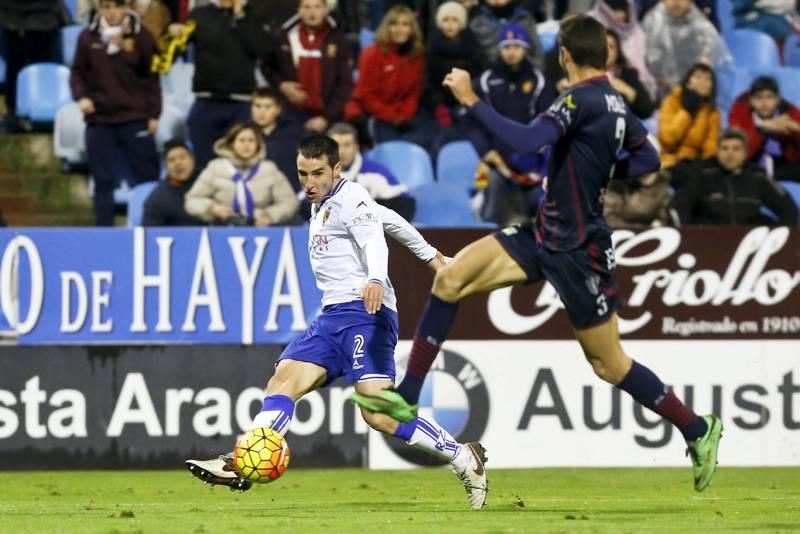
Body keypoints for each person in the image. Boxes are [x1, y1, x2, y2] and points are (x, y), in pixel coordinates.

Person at [351, 14, 723, 493]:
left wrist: (470, 99)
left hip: (579, 251)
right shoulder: (615, 102)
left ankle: (696, 427)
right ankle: (407, 395)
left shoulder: (579, 97)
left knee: (609, 363)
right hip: (542, 233)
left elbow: (526, 140)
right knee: (451, 279)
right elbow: (648, 159)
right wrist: (595, 168)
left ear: (564, 53)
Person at [185, 133, 489, 509]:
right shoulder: (326, 203)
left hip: (366, 315)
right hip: (331, 318)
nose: (309, 183)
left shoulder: (350, 196)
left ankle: (462, 458)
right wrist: (432, 257)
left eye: (317, 173)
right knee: (283, 380)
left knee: (378, 413)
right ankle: (243, 463)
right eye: (302, 174)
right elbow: (387, 217)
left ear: (336, 169)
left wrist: (376, 277)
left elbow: (374, 239)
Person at [70, 0, 161, 226]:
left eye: (116, 7)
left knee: (147, 178)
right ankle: (104, 232)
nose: (111, 13)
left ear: (126, 8)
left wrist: (153, 114)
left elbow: (152, 79)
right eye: (106, 7)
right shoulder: (87, 37)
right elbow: (77, 73)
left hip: (135, 118)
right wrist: (82, 97)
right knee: (102, 181)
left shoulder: (142, 36)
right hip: (99, 120)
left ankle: (151, 228)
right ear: (100, 8)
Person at [168, 0, 272, 170]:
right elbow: (175, 50)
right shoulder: (199, 15)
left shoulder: (253, 14)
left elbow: (262, 50)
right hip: (206, 101)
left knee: (242, 163)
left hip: (241, 103)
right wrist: (172, 34)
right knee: (204, 165)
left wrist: (240, 17)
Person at [466, 22, 547, 226]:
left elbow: (546, 120)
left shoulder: (539, 81)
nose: (512, 52)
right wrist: (486, 151)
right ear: (500, 49)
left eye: (517, 47)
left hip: (532, 165)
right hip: (497, 164)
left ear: (525, 49)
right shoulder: (484, 82)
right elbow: (471, 122)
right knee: (493, 186)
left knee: (541, 209)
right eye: (507, 47)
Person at [345, 5, 437, 150]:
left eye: (405, 24)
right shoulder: (372, 54)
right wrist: (392, 117)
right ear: (386, 27)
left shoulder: (416, 55)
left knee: (429, 138)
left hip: (402, 114)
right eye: (394, 24)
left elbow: (415, 91)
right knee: (392, 146)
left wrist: (405, 114)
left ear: (412, 28)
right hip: (371, 112)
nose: (400, 29)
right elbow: (366, 95)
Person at [672, 128, 799, 225]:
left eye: (736, 149)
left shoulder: (758, 175)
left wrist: (780, 239)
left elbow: (788, 208)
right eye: (724, 148)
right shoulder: (701, 173)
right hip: (707, 243)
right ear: (717, 151)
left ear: (745, 153)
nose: (730, 154)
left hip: (747, 244)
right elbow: (680, 206)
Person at [185, 123, 299, 226]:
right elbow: (192, 200)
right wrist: (212, 208)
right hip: (222, 230)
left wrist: (269, 215)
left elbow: (290, 202)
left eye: (251, 140)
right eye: (241, 140)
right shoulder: (216, 167)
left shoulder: (268, 169)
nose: (246, 145)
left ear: (258, 144)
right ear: (231, 144)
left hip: (262, 232)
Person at [265, 0, 354, 133]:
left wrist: (326, 117)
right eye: (306, 7)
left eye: (317, 7)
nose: (312, 13)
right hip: (290, 114)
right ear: (299, 10)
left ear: (325, 10)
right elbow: (267, 67)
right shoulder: (283, 36)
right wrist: (281, 85)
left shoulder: (339, 38)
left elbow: (345, 83)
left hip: (328, 117)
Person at [642, 0, 732, 97]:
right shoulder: (651, 23)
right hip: (657, 95)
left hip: (695, 95)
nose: (676, 2)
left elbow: (720, 67)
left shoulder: (703, 28)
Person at [0, 0, 66, 132]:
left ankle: (50, 113)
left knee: (47, 68)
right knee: (14, 67)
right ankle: (13, 115)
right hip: (9, 15)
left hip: (46, 15)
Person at [327, 122, 416, 220]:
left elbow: (405, 204)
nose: (342, 151)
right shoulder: (318, 175)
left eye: (347, 145)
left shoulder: (377, 172)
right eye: (336, 146)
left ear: (356, 147)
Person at [729, 76, 800, 182]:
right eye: (758, 98)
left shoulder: (790, 113)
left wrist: (796, 131)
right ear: (751, 101)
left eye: (769, 97)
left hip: (782, 165)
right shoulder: (741, 115)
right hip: (751, 163)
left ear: (777, 100)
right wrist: (761, 128)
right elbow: (738, 151)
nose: (764, 103)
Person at [425, 2, 483, 130]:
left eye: (455, 20)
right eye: (445, 20)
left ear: (461, 22)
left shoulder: (472, 44)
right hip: (440, 108)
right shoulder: (432, 47)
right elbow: (429, 83)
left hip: (468, 102)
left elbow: (479, 75)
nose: (450, 24)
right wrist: (438, 106)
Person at [589, 0, 657, 101]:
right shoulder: (588, 25)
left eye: (612, 46)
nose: (620, 14)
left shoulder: (637, 33)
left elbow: (646, 108)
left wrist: (630, 93)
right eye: (615, 8)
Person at [657, 63, 720, 168]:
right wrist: (687, 112)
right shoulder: (671, 101)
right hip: (668, 161)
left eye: (708, 79)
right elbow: (668, 138)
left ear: (711, 87)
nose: (702, 82)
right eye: (698, 77)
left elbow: (710, 149)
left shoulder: (712, 112)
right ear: (687, 82)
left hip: (694, 165)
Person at [250, 88, 308, 193]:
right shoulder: (243, 134)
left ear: (278, 109)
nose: (261, 111)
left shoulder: (296, 133)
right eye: (257, 106)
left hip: (292, 191)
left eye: (268, 107)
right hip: (255, 192)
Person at [142, 140, 204, 226]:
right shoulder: (157, 198)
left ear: (193, 161)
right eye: (171, 160)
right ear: (166, 167)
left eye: (182, 157)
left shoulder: (208, 186)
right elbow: (148, 234)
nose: (177, 163)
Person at [469, 0, 544, 70]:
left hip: (526, 73)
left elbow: (537, 53)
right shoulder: (476, 22)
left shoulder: (525, 18)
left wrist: (535, 75)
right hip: (490, 75)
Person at [604, 29, 655, 119]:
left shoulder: (628, 75)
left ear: (618, 52)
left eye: (611, 47)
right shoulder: (584, 74)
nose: (607, 51)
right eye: (603, 46)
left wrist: (630, 92)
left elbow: (647, 110)